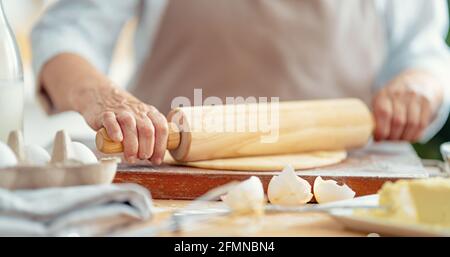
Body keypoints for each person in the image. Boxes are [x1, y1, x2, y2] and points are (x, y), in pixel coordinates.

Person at [31, 0, 450, 164]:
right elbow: (68, 31)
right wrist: (100, 95)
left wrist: (419, 86)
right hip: (168, 186)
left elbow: (424, 53)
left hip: (348, 188)